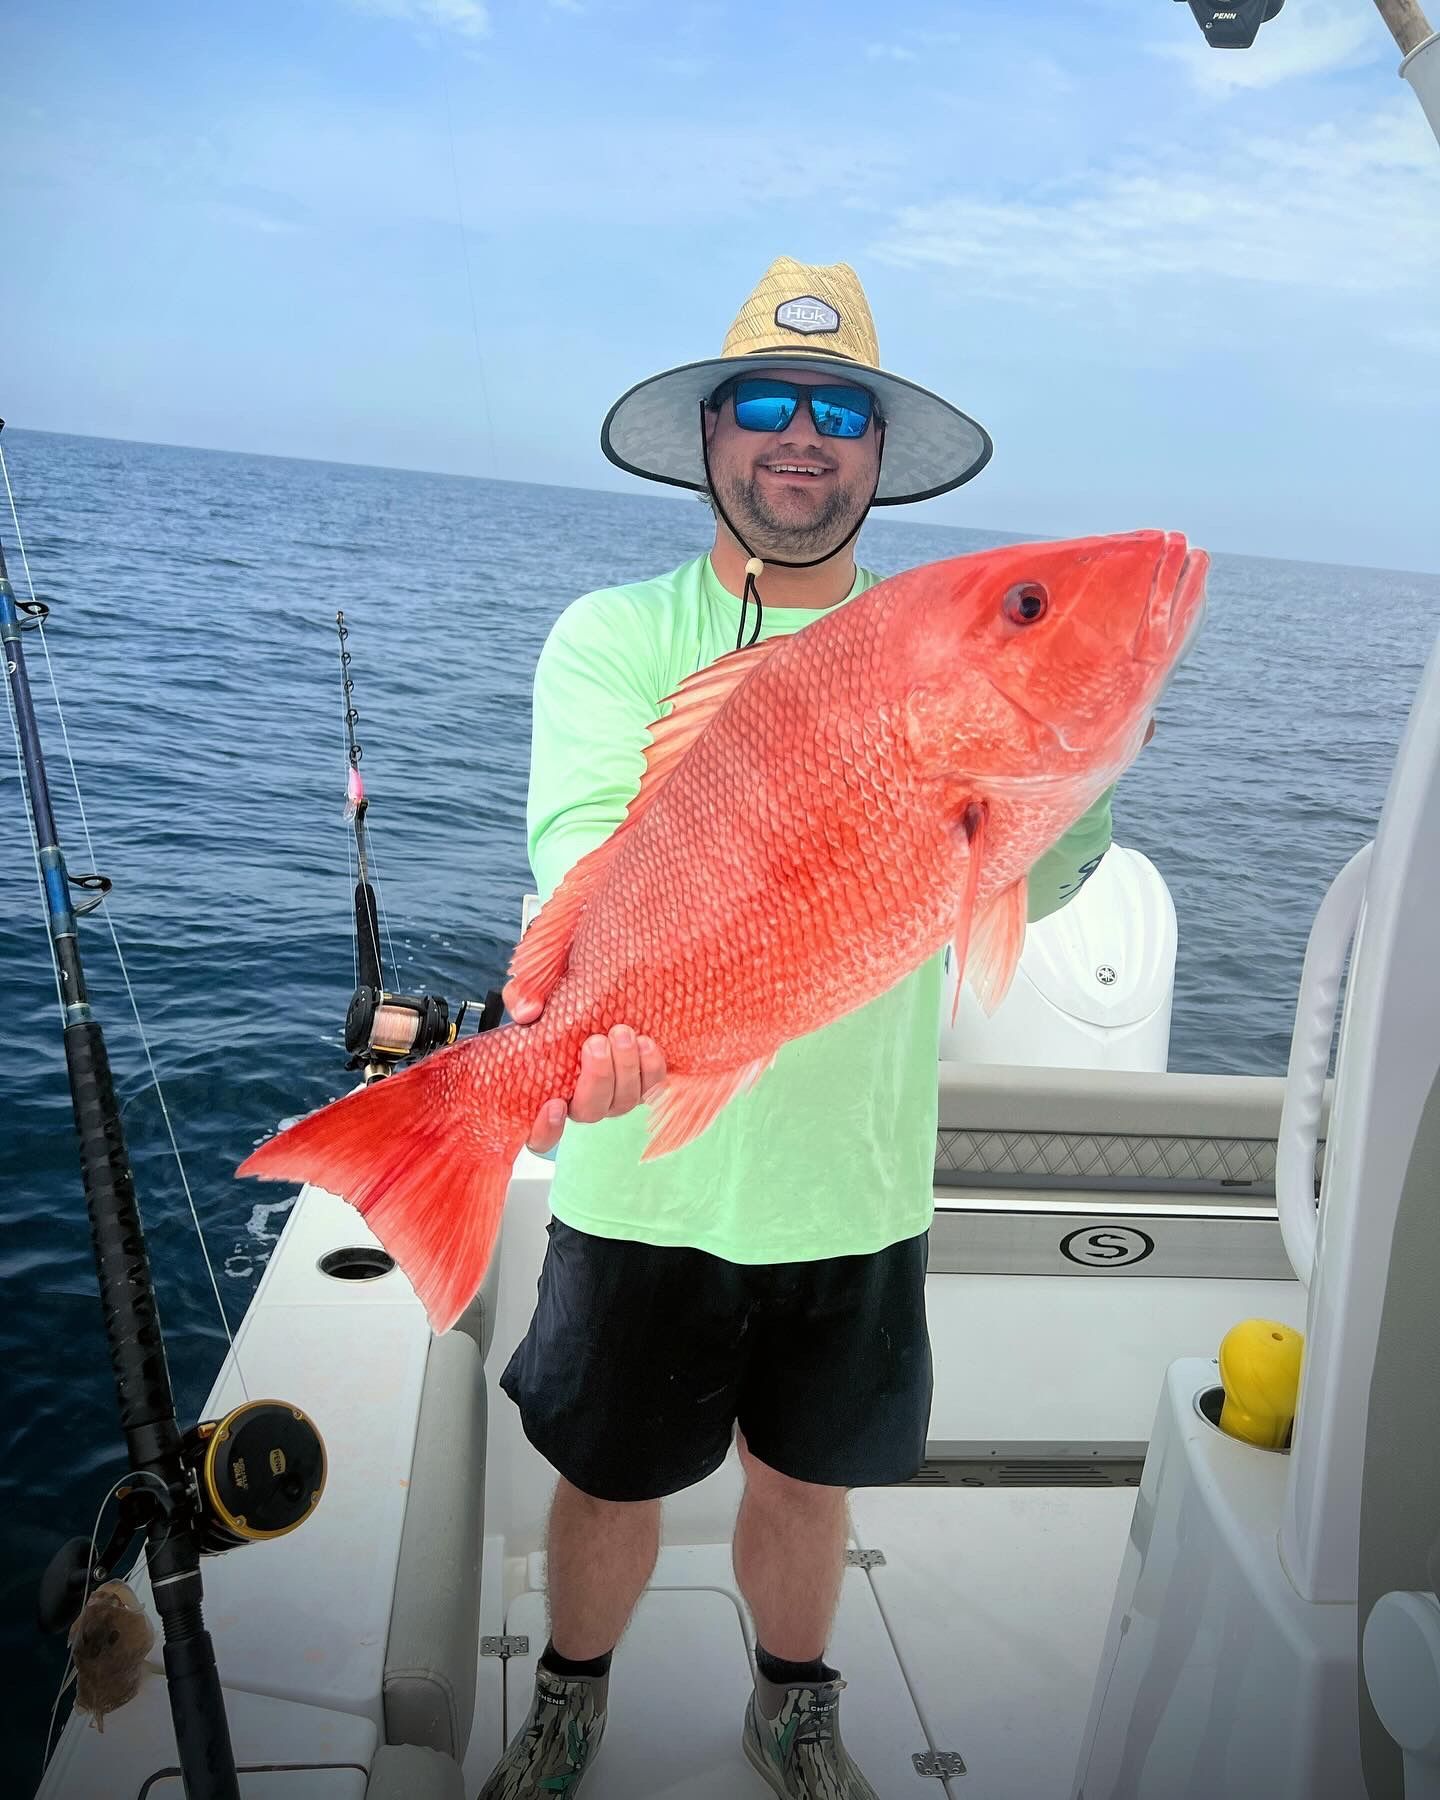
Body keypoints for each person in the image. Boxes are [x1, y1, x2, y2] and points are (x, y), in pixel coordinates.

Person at [478, 257, 1116, 1800]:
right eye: (768, 402)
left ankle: (794, 1700)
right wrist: (600, 1014)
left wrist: (1074, 751)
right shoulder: (614, 635)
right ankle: (571, 1696)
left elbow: (1047, 864)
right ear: (710, 435)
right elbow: (577, 840)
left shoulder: (945, 643)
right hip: (645, 1170)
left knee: (807, 1481)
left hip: (854, 1184)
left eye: (842, 410)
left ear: (881, 453)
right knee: (608, 1479)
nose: (802, 437)